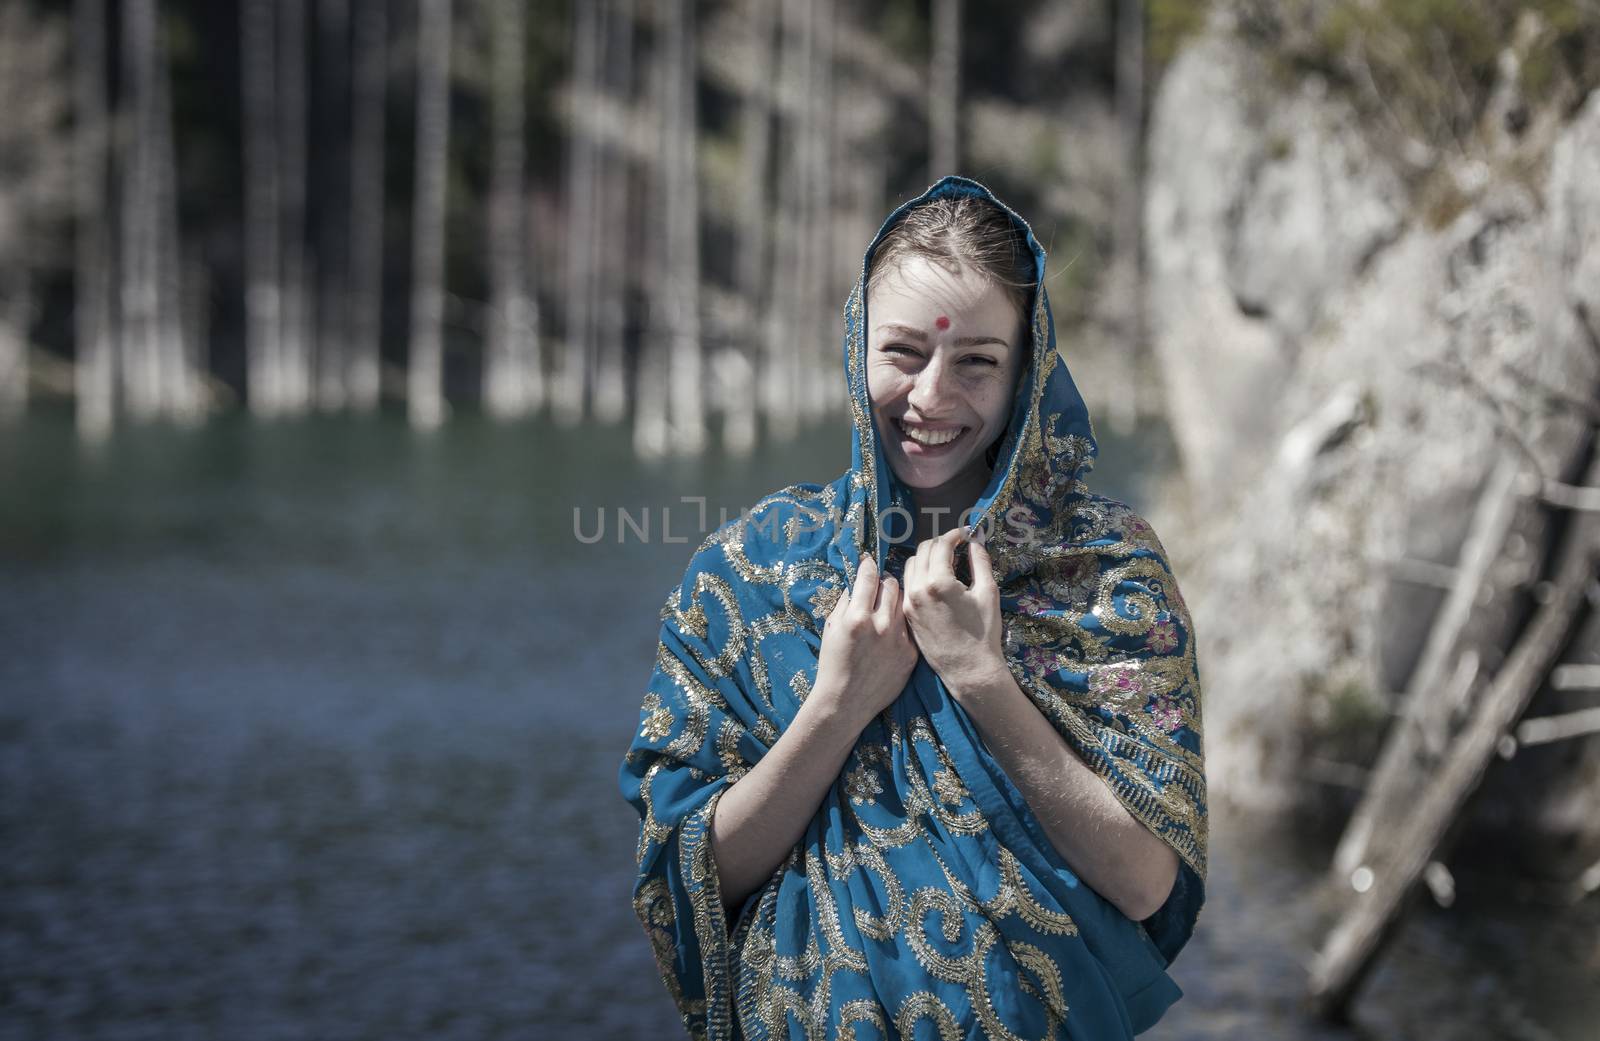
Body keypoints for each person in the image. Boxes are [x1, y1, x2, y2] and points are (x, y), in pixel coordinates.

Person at [620, 175, 1206, 1040]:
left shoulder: (1106, 573)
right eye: (904, 352)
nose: (932, 397)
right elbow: (689, 881)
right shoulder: (748, 573)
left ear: (1027, 369)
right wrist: (837, 703)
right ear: (857, 345)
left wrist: (981, 675)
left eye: (977, 360)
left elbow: (1147, 880)